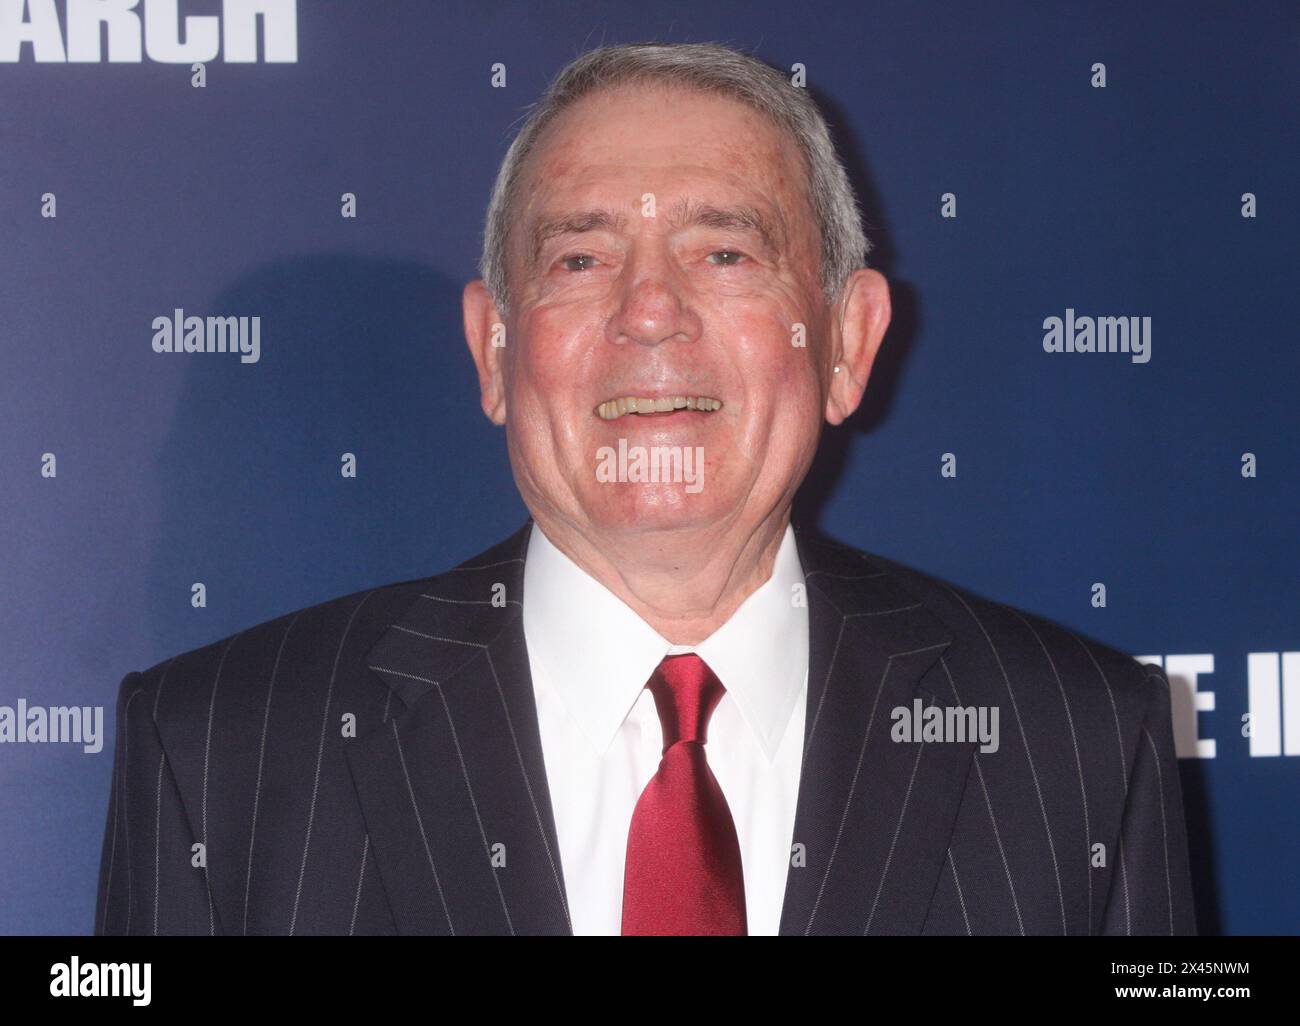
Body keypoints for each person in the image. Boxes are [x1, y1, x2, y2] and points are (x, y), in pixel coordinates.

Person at [95, 41, 1195, 936]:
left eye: (724, 253)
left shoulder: (1080, 741)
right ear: (492, 350)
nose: (650, 312)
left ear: (848, 344)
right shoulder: (219, 751)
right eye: (580, 259)